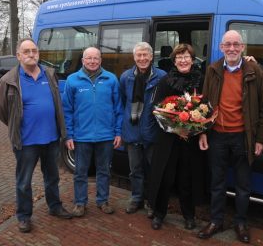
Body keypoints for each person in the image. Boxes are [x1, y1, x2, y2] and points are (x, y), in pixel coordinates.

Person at [198, 30, 263, 244]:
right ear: (221, 47)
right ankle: (216, 221)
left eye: (236, 44)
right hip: (217, 136)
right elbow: (203, 105)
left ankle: (240, 223)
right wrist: (203, 132)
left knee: (243, 185)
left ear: (242, 47)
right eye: (227, 44)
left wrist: (260, 139)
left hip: (243, 137)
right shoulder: (212, 70)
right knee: (217, 183)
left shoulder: (255, 71)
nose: (231, 48)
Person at [0, 38, 72, 233]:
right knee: (24, 181)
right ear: (18, 56)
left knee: (52, 177)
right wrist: (15, 126)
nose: (31, 54)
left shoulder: (49, 74)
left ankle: (54, 206)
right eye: (26, 51)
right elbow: (1, 108)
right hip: (26, 142)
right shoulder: (9, 80)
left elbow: (57, 104)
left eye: (34, 51)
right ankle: (24, 216)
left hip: (52, 139)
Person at [148, 43, 208, 231]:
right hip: (168, 138)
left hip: (190, 138)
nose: (183, 60)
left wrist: (195, 128)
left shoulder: (200, 80)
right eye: (179, 58)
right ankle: (159, 213)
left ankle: (189, 216)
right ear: (174, 61)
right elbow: (156, 109)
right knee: (166, 177)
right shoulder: (165, 81)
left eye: (186, 57)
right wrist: (175, 127)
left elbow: (206, 108)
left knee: (186, 178)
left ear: (192, 59)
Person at [62, 47, 122, 217]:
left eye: (96, 58)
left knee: (104, 171)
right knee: (80, 172)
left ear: (101, 60)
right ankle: (80, 203)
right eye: (89, 58)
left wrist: (118, 132)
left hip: (106, 136)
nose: (92, 61)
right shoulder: (72, 80)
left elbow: (118, 108)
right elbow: (67, 110)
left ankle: (103, 200)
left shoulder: (111, 79)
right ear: (83, 60)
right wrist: (69, 135)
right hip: (82, 137)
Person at [119, 42, 166, 215]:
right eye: (139, 55)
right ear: (134, 57)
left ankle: (152, 202)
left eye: (146, 55)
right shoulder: (126, 77)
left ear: (152, 57)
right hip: (132, 132)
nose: (142, 58)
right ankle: (136, 198)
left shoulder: (161, 76)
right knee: (135, 170)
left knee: (154, 170)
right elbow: (123, 101)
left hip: (153, 132)